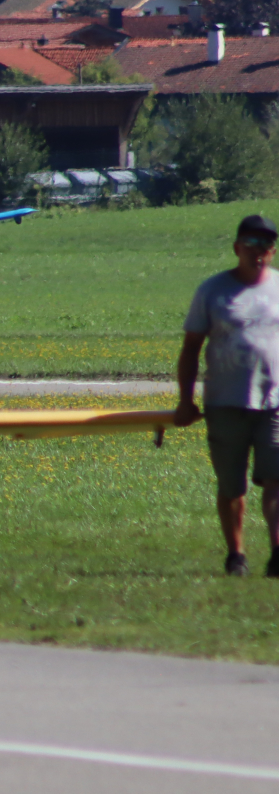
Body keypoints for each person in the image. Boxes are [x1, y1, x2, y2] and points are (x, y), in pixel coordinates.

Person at [175, 214, 279, 576]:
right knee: (232, 485)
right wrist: (186, 401)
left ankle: (278, 553)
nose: (259, 252)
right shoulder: (213, 291)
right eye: (250, 244)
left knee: (276, 479)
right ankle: (236, 556)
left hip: (274, 404)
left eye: (266, 245)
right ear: (237, 248)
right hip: (225, 402)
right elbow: (190, 349)